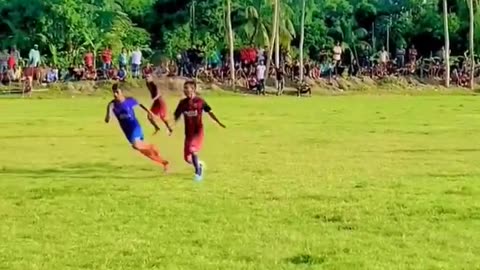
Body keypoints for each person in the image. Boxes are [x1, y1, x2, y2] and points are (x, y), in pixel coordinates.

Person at [105, 83, 169, 171]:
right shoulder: (112, 104)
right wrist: (108, 115)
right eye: (114, 92)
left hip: (135, 127)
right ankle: (163, 162)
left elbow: (140, 104)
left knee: (136, 146)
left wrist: (149, 112)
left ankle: (152, 147)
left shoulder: (129, 100)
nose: (115, 94)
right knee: (144, 152)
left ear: (122, 92)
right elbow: (107, 118)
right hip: (127, 132)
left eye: (117, 92)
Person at [173, 81, 226, 181]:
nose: (184, 90)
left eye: (186, 88)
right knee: (187, 159)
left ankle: (198, 172)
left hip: (198, 132)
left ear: (193, 89)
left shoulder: (200, 101)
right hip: (188, 134)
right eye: (184, 88)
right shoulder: (182, 103)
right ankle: (199, 164)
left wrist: (218, 122)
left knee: (193, 150)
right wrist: (171, 127)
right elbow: (176, 116)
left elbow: (210, 112)